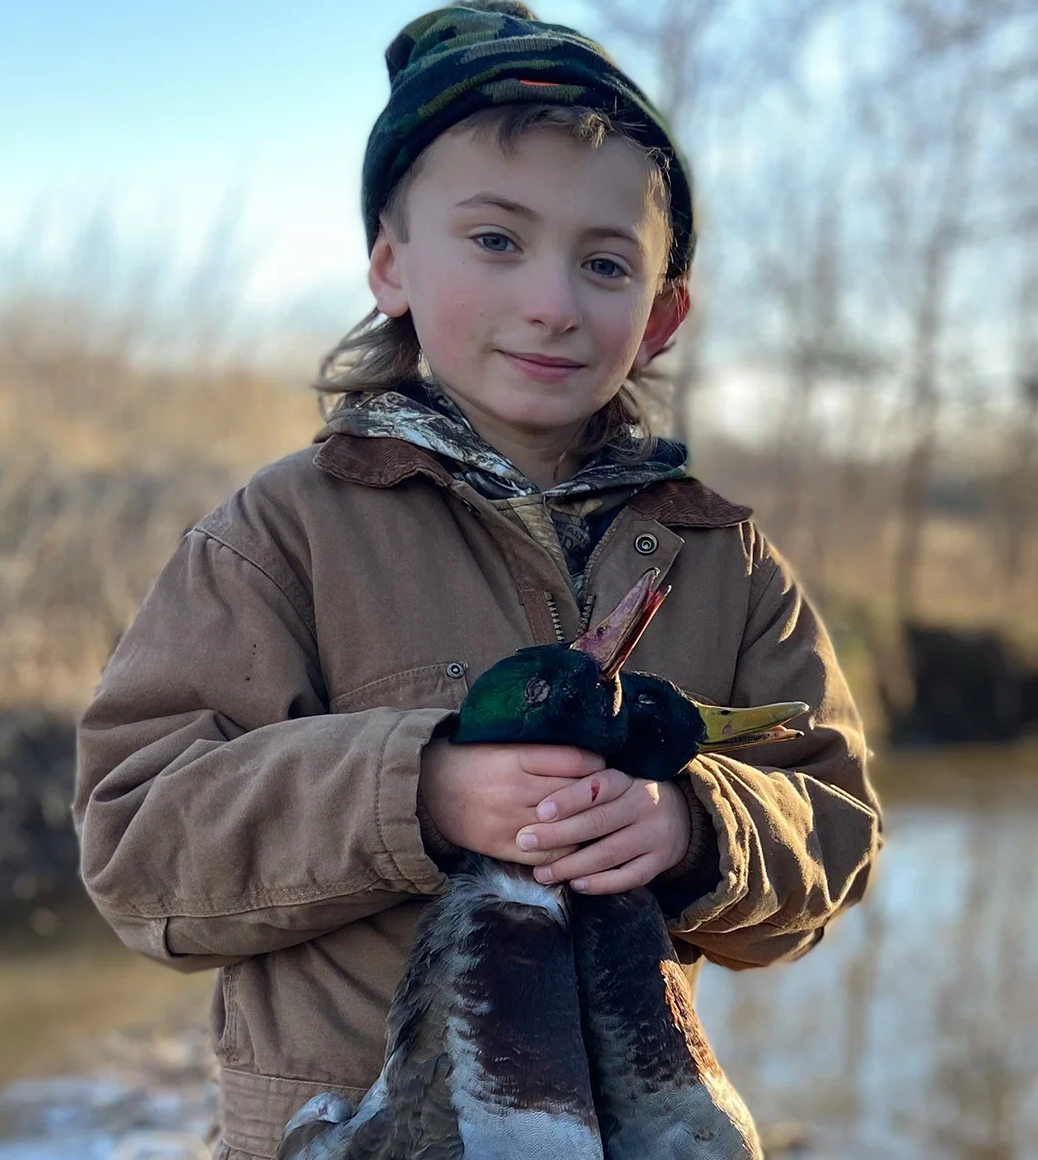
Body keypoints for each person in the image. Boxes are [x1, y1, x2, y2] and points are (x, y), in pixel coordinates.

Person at [71, 5, 880, 1156]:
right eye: (496, 240)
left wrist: (692, 821)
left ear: (660, 315)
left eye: (604, 261)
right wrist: (422, 790)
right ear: (391, 265)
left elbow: (838, 825)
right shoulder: (283, 533)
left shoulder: (728, 563)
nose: (552, 300)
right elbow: (137, 844)